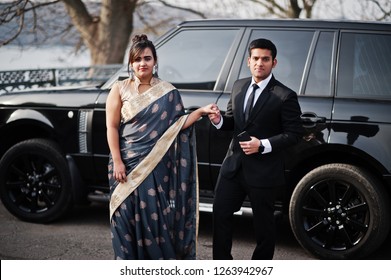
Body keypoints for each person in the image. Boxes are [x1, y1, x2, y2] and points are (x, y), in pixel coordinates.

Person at [106, 34, 217, 260]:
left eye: (147, 58)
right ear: (130, 63)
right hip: (125, 164)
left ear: (155, 61)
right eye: (137, 59)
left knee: (153, 218)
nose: (142, 63)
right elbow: (112, 127)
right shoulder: (119, 89)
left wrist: (200, 112)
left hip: (156, 167)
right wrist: (118, 161)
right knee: (123, 220)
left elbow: (177, 126)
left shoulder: (168, 92)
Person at [208, 38, 303, 260]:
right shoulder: (238, 86)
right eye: (256, 58)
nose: (260, 63)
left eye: (265, 59)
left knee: (264, 226)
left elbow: (294, 134)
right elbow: (232, 123)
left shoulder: (285, 95)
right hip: (233, 167)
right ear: (248, 61)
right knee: (220, 213)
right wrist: (218, 120)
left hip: (264, 172)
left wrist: (262, 145)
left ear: (274, 62)